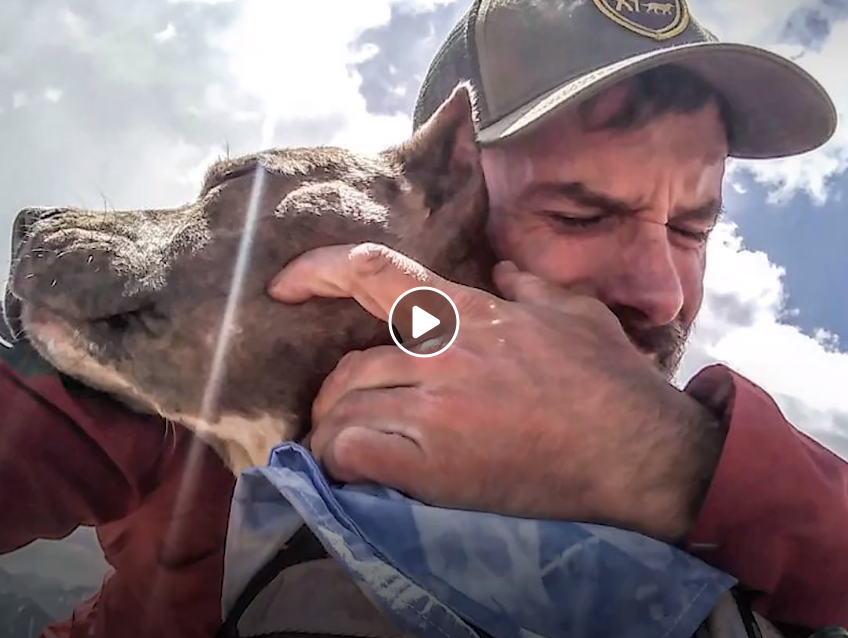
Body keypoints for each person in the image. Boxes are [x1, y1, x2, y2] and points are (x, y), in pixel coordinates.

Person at [0, 2, 845, 638]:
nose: (663, 291)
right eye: (582, 217)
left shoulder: (737, 469)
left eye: (693, 228)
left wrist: (670, 467)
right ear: (452, 195)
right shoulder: (227, 367)